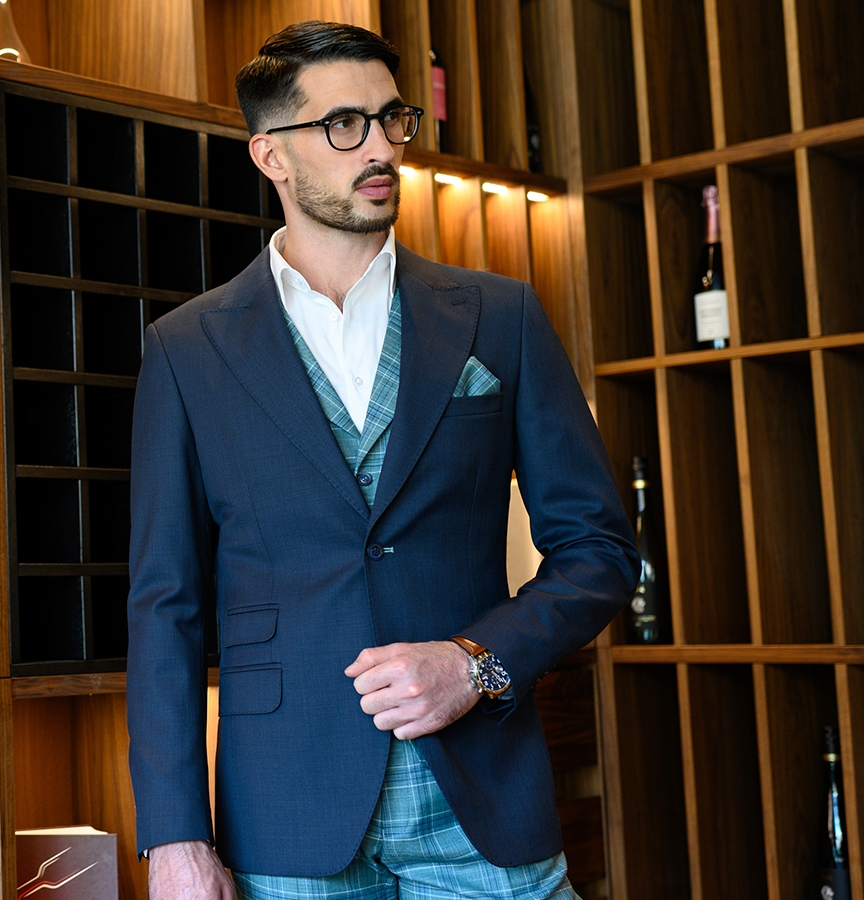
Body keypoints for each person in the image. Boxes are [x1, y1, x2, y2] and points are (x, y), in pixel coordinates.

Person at [125, 20, 635, 899]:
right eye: (342, 125)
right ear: (271, 156)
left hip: (481, 798)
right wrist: (174, 836)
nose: (380, 148)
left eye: (391, 119)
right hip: (285, 814)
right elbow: (163, 604)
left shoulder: (500, 315)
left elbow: (599, 550)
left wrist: (474, 662)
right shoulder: (186, 349)